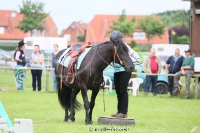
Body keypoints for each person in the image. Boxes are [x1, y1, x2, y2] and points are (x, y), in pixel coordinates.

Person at [110, 30, 141, 118]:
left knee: (123, 90)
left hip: (125, 70)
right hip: (116, 71)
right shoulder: (112, 48)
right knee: (118, 91)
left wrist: (138, 58)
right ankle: (119, 111)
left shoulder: (124, 46)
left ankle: (123, 112)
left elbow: (132, 52)